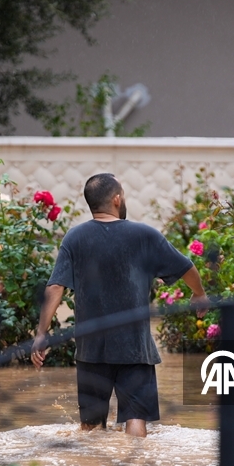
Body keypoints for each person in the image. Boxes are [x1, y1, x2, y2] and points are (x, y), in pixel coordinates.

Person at [31, 173, 208, 437]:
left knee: (90, 428)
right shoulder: (145, 235)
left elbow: (55, 287)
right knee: (136, 418)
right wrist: (199, 294)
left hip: (91, 350)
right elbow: (186, 266)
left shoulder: (74, 238)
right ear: (116, 199)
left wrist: (41, 333)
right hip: (134, 349)